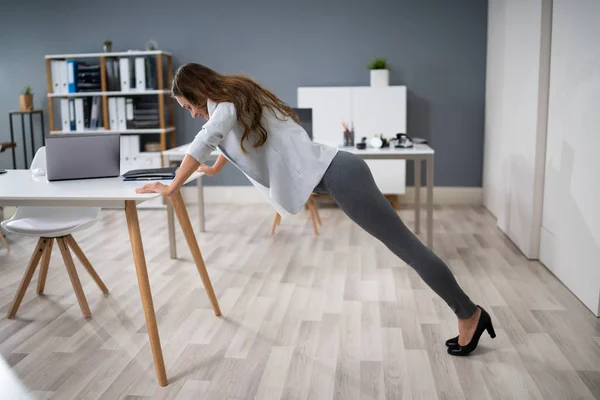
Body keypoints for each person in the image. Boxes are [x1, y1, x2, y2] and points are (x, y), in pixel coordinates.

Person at [136, 63, 495, 355]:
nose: (194, 114)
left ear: (197, 92)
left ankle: (470, 313)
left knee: (408, 249)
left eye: (189, 106)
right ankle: (468, 312)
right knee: (405, 247)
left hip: (343, 175)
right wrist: (212, 168)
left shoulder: (224, 108)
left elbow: (205, 138)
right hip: (340, 173)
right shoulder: (232, 104)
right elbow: (225, 142)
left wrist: (172, 186)